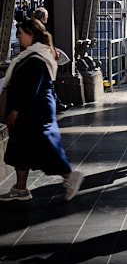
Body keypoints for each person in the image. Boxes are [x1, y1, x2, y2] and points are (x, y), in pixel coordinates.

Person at [0, 19, 84, 201]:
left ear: (32, 34)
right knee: (20, 147)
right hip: (31, 110)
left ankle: (70, 176)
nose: (18, 37)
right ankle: (20, 188)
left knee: (44, 147)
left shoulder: (36, 58)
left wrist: (15, 110)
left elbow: (30, 89)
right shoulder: (33, 55)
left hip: (33, 111)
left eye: (20, 33)